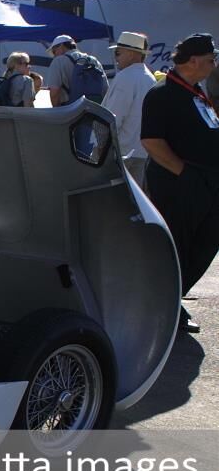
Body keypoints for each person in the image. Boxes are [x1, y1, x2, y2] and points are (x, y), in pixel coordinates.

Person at [140, 33, 219, 334]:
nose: (214, 63)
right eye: (211, 58)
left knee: (206, 239)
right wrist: (184, 173)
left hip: (205, 182)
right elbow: (151, 140)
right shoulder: (162, 93)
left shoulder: (195, 92)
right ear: (194, 60)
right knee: (177, 246)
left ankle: (173, 296)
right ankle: (168, 306)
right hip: (179, 184)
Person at [102, 31, 156, 185]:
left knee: (111, 200)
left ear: (132, 54)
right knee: (134, 200)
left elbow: (112, 117)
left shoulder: (126, 77)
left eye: (118, 53)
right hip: (141, 152)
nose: (115, 57)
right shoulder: (149, 78)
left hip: (120, 153)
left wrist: (100, 148)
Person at [46, 34, 109, 108]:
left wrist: (56, 111)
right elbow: (106, 89)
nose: (54, 55)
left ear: (61, 46)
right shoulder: (93, 60)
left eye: (54, 52)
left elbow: (54, 93)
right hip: (94, 110)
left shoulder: (58, 61)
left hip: (70, 111)